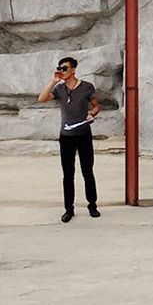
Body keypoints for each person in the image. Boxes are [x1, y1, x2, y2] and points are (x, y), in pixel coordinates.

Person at [37, 56, 101, 222]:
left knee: (87, 171)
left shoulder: (86, 87)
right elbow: (41, 99)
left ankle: (92, 205)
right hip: (66, 136)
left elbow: (96, 106)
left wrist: (91, 114)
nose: (62, 71)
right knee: (68, 174)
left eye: (64, 68)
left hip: (83, 134)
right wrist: (53, 81)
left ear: (73, 70)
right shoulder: (59, 89)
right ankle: (68, 208)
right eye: (60, 68)